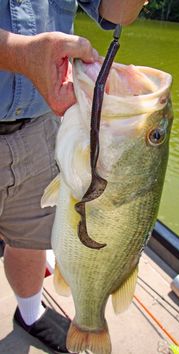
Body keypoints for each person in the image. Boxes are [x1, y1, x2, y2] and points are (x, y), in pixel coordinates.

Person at [0, 0, 148, 352]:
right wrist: (20, 54)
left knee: (29, 238)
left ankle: (30, 313)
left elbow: (118, 15)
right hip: (49, 117)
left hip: (41, 127)